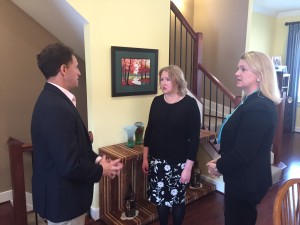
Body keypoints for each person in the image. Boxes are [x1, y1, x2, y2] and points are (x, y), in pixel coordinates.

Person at [31, 43, 123, 225]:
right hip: (64, 202)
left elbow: (70, 150)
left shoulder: (52, 99)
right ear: (63, 69)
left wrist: (98, 160)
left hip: (61, 199)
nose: (79, 72)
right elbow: (69, 165)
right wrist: (100, 170)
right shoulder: (56, 107)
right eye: (76, 66)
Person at [206, 51, 282, 225]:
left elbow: (243, 153)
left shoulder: (259, 106)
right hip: (241, 176)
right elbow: (241, 141)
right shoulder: (250, 101)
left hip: (247, 181)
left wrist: (219, 165)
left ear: (259, 75)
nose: (236, 73)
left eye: (243, 69)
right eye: (238, 68)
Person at [142, 65, 201, 225]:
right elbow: (149, 131)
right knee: (160, 200)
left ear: (177, 81)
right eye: (161, 79)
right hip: (157, 161)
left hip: (179, 164)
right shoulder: (156, 102)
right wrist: (145, 158)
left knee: (177, 201)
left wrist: (188, 168)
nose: (163, 83)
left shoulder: (190, 104)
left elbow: (194, 140)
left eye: (167, 79)